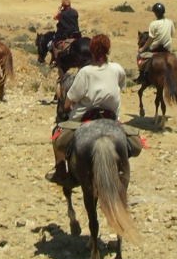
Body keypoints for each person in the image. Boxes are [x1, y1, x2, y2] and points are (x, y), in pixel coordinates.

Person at [45, 34, 126, 186]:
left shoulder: (85, 72)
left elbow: (71, 98)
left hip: (85, 116)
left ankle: (61, 172)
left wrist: (67, 106)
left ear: (91, 51)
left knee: (57, 132)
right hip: (111, 117)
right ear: (108, 50)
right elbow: (121, 87)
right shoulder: (117, 69)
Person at [134, 2, 174, 85]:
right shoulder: (170, 22)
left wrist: (143, 48)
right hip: (167, 48)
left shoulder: (153, 24)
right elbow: (172, 34)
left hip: (155, 48)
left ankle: (142, 77)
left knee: (139, 57)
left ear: (155, 13)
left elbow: (150, 39)